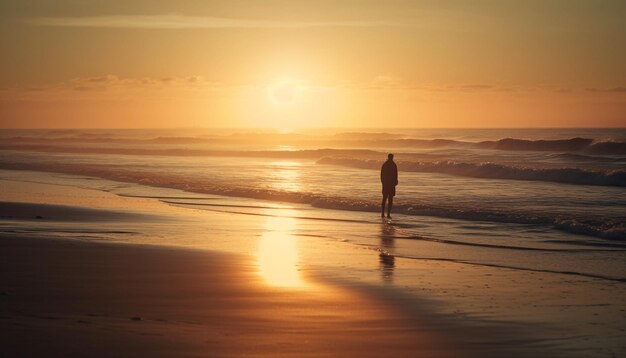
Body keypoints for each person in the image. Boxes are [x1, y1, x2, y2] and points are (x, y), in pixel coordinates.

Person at [380, 153, 398, 218]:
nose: (391, 158)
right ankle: (384, 213)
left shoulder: (390, 164)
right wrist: (383, 183)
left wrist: (396, 181)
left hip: (389, 185)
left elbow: (395, 174)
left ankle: (387, 214)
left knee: (388, 199)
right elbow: (382, 175)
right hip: (388, 184)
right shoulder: (391, 165)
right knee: (386, 199)